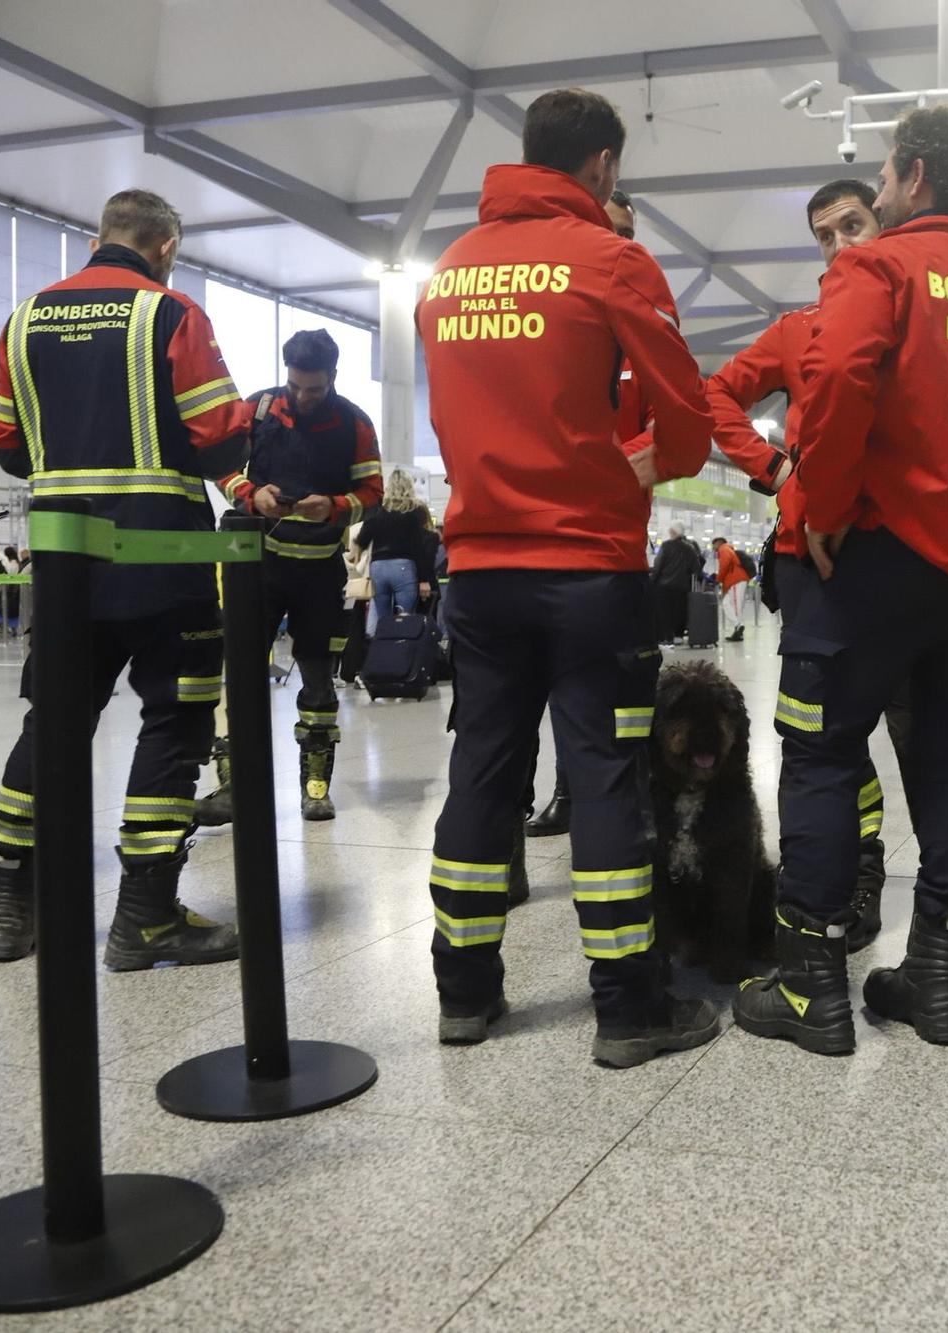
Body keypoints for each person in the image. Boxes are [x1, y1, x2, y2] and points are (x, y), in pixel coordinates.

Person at [733, 104, 948, 1055]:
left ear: (914, 175)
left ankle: (809, 988)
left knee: (824, 755)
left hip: (867, 563)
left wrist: (822, 503)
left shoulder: (874, 268)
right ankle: (936, 979)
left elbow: (835, 375)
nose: (874, 190)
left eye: (881, 174)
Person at [417, 87, 719, 1064]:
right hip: (587, 570)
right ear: (600, 167)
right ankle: (628, 1006)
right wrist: (647, 460)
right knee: (600, 776)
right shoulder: (610, 259)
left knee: (482, 771)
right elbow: (684, 413)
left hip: (479, 570)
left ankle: (463, 991)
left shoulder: (449, 271)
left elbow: (446, 422)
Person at [0, 188, 252, 968]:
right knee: (174, 722)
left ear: (101, 236)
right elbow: (216, 438)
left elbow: (6, 444)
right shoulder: (171, 314)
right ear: (165, 245)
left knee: (53, 724)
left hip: (67, 564)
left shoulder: (24, 318)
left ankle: (10, 906)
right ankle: (146, 916)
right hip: (163, 558)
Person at [703, 176, 941, 954]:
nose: (839, 244)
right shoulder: (798, 329)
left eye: (852, 225)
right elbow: (714, 398)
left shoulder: (929, 319)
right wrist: (776, 471)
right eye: (823, 235)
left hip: (911, 560)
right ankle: (857, 870)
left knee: (924, 739)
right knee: (829, 739)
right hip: (817, 562)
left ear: (887, 220)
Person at [196, 328, 383, 826]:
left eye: (314, 389)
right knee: (239, 671)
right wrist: (248, 492)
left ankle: (315, 785)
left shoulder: (355, 423)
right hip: (255, 564)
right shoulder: (259, 408)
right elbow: (221, 466)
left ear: (333, 378)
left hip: (319, 570)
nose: (303, 396)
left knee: (319, 676)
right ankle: (235, 785)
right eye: (296, 385)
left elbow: (373, 491)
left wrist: (338, 506)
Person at [527, 184, 656, 840]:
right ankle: (565, 795)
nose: (616, 243)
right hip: (537, 541)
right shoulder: (547, 322)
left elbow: (679, 414)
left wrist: (631, 457)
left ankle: (628, 796)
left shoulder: (641, 330)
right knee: (542, 689)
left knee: (622, 685)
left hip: (615, 546)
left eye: (626, 233)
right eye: (607, 228)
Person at [352, 468, 431, 629]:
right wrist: (424, 579)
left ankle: (382, 650)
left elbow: (362, 539)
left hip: (378, 568)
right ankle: (402, 650)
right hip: (403, 567)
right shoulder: (415, 511)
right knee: (405, 618)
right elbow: (419, 547)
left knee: (383, 619)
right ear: (409, 486)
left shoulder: (378, 510)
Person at [650, 524, 703, 645]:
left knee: (665, 611)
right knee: (680, 610)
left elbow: (658, 565)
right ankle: (678, 635)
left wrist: (652, 579)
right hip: (682, 586)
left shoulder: (666, 545)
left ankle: (667, 637)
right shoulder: (690, 548)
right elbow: (696, 568)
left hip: (664, 585)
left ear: (673, 532)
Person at [711, 537, 749, 642]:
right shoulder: (727, 549)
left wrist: (719, 578)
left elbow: (725, 564)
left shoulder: (723, 549)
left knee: (736, 606)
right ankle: (738, 626)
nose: (712, 547)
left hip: (736, 580)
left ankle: (738, 629)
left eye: (713, 545)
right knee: (726, 603)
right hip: (732, 581)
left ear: (718, 543)